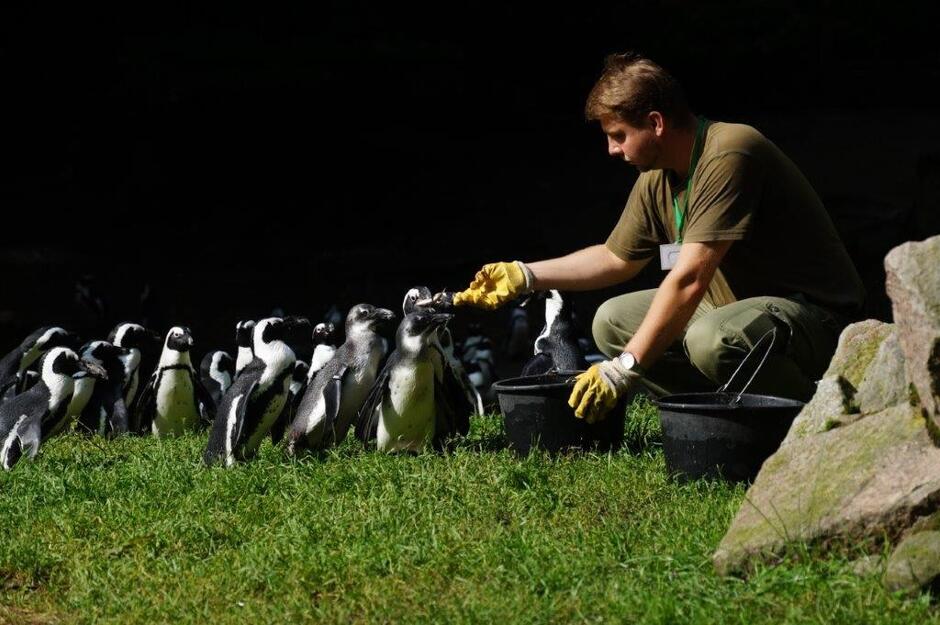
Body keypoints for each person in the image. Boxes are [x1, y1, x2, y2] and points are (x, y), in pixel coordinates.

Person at [453, 52, 865, 424]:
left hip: (816, 318)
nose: (611, 149)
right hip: (736, 310)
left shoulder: (731, 152)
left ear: (655, 123)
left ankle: (810, 418)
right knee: (612, 321)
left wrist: (624, 368)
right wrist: (525, 275)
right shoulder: (657, 176)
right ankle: (711, 419)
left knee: (712, 339)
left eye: (618, 135)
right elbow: (616, 259)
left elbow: (689, 279)